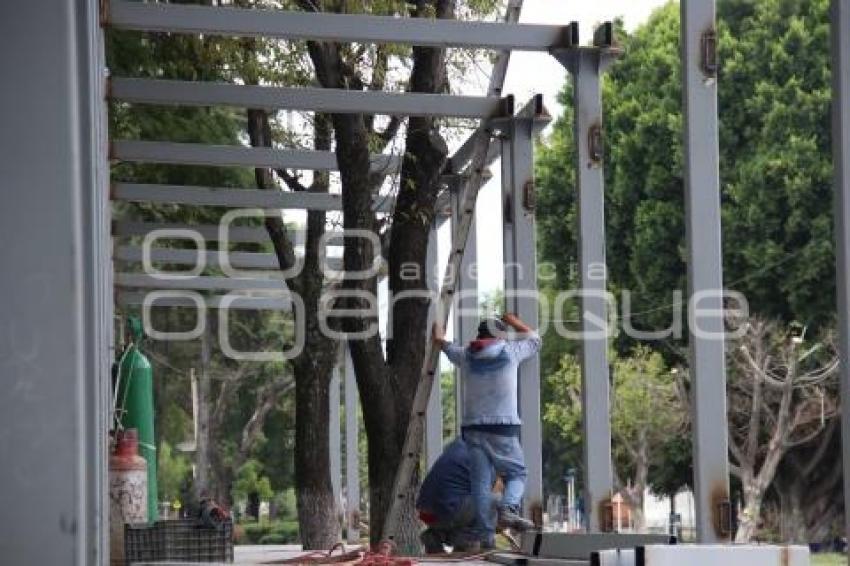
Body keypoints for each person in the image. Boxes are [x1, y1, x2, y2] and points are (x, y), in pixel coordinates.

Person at [432, 313, 541, 548]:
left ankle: (486, 538)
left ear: (479, 335)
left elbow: (444, 345)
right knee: (517, 474)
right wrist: (514, 321)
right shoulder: (509, 352)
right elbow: (535, 340)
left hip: (472, 428)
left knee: (480, 483)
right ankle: (508, 509)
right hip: (503, 426)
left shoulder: (467, 356)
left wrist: (438, 334)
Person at [416, 438, 480, 553]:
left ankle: (435, 536)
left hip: (426, 513)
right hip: (448, 511)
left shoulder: (458, 444)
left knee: (462, 508)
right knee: (492, 502)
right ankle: (466, 543)